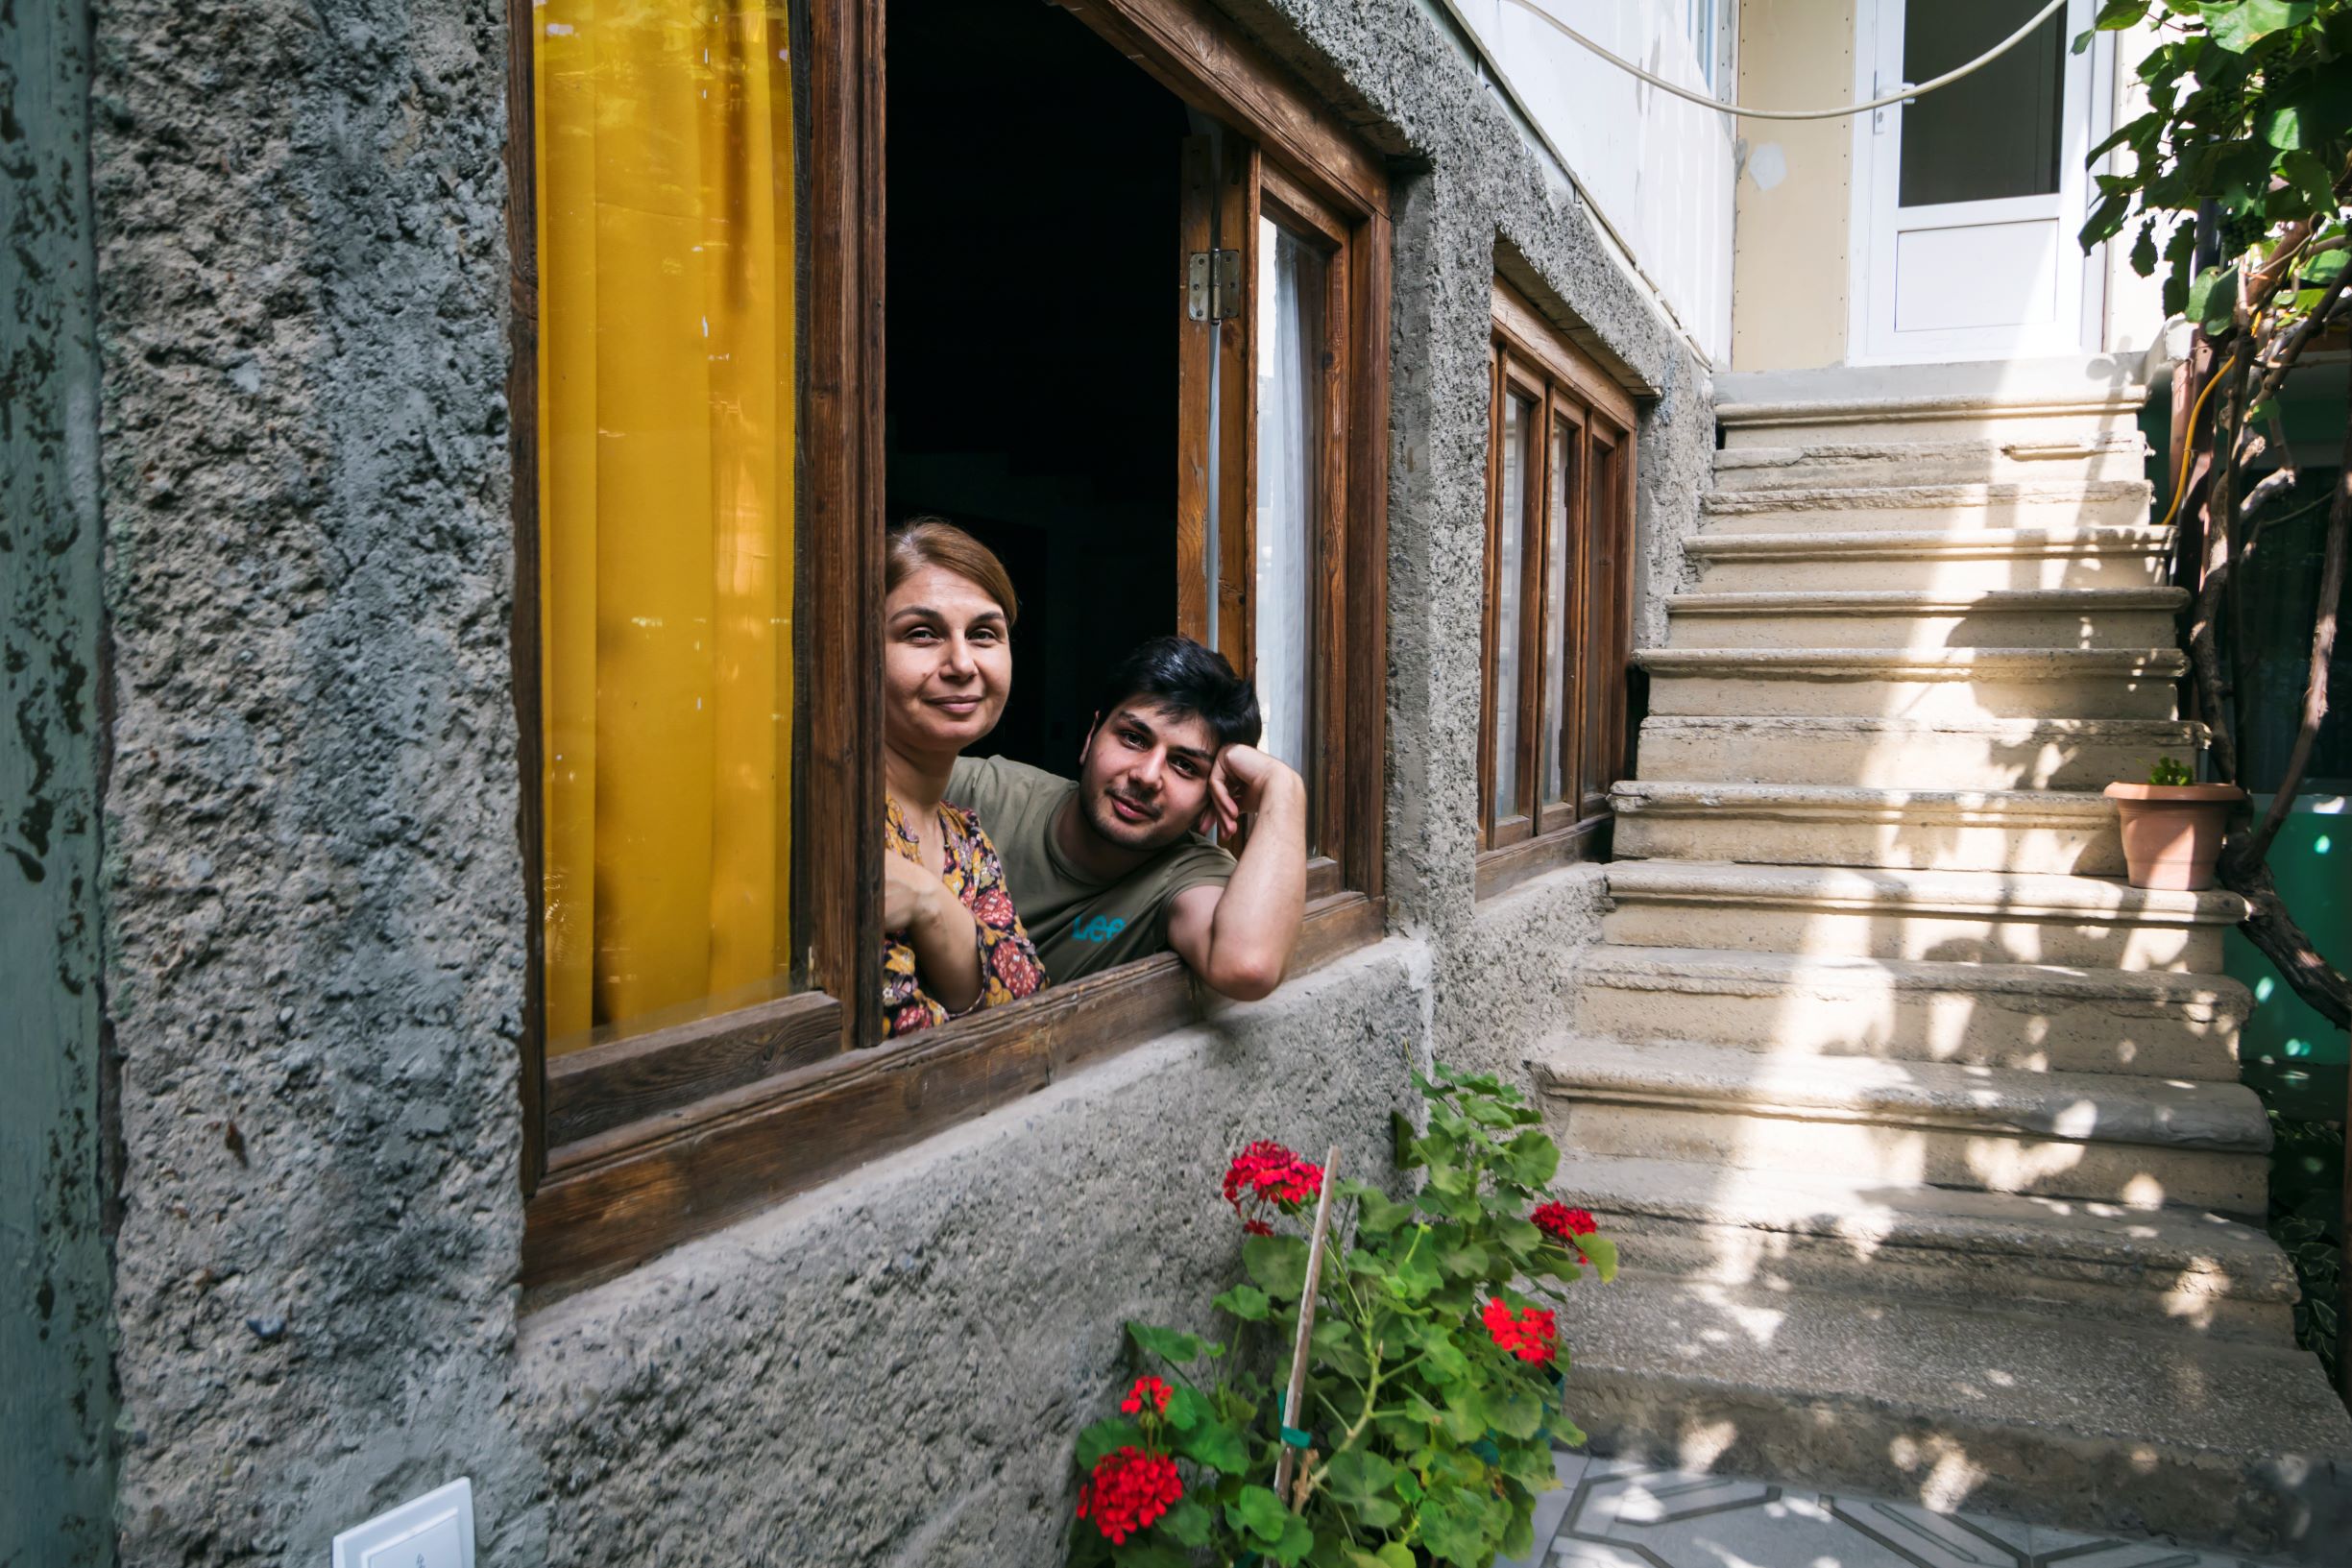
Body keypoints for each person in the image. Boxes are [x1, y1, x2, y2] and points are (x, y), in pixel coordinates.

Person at [946, 636, 1308, 1001]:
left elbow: (1248, 965)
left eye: (1184, 765)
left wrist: (1285, 787)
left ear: (1212, 797)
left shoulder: (1188, 872)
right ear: (1091, 736)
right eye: (1133, 738)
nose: (1147, 776)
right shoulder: (982, 792)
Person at [879, 519, 1048, 1037]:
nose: (961, 663)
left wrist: (930, 904)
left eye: (983, 634)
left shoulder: (965, 838)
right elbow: (901, 1033)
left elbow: (1028, 998)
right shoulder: (838, 822)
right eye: (921, 634)